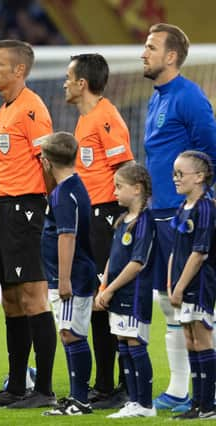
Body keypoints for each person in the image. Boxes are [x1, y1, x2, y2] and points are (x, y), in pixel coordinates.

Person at [140, 23, 216, 412]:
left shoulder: (189, 97)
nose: (143, 53)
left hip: (184, 215)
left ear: (171, 56)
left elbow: (210, 151)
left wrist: (202, 208)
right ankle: (180, 388)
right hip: (161, 214)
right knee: (171, 304)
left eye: (151, 47)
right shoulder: (158, 98)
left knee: (196, 306)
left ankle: (204, 392)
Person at [0, 39, 57, 408]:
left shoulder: (32, 110)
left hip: (27, 209)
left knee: (33, 298)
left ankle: (43, 389)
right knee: (11, 300)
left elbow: (49, 166)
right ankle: (16, 385)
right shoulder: (5, 110)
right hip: (5, 208)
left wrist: (44, 209)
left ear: (19, 71)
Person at [64, 53, 134, 408]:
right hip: (91, 217)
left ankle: (119, 387)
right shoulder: (86, 119)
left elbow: (127, 168)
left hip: (108, 216)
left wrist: (126, 218)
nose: (63, 83)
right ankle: (106, 384)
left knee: (108, 300)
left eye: (68, 77)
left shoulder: (106, 117)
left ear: (82, 83)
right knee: (95, 303)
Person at [40, 132, 96, 416]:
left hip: (72, 277)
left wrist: (63, 280)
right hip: (72, 275)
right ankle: (77, 398)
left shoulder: (64, 193)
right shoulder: (70, 187)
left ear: (47, 162)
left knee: (72, 334)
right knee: (69, 334)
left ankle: (80, 400)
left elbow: (67, 237)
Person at [96, 163, 156, 418]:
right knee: (122, 344)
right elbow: (113, 257)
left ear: (137, 189)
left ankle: (145, 404)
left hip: (134, 295)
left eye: (119, 186)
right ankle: (133, 400)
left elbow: (137, 263)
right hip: (116, 293)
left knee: (135, 343)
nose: (115, 192)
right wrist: (103, 287)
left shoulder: (144, 222)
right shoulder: (122, 220)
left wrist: (111, 289)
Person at [167, 151, 216, 420]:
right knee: (188, 337)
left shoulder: (206, 208)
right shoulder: (181, 207)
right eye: (174, 173)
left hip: (199, 283)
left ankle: (208, 404)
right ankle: (197, 403)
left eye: (180, 173)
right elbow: (177, 248)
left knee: (201, 336)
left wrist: (179, 287)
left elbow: (199, 253)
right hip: (181, 284)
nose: (175, 178)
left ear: (199, 177)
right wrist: (170, 280)